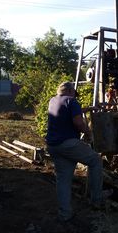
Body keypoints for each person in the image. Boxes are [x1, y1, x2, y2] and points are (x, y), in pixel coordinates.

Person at [45, 81, 104, 222]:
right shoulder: (72, 101)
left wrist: (87, 109)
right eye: (74, 94)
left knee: (63, 180)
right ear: (71, 91)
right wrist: (88, 133)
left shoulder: (53, 100)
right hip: (68, 144)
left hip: (53, 145)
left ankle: (65, 214)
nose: (74, 96)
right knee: (95, 160)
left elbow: (67, 112)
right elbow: (78, 122)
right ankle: (96, 199)